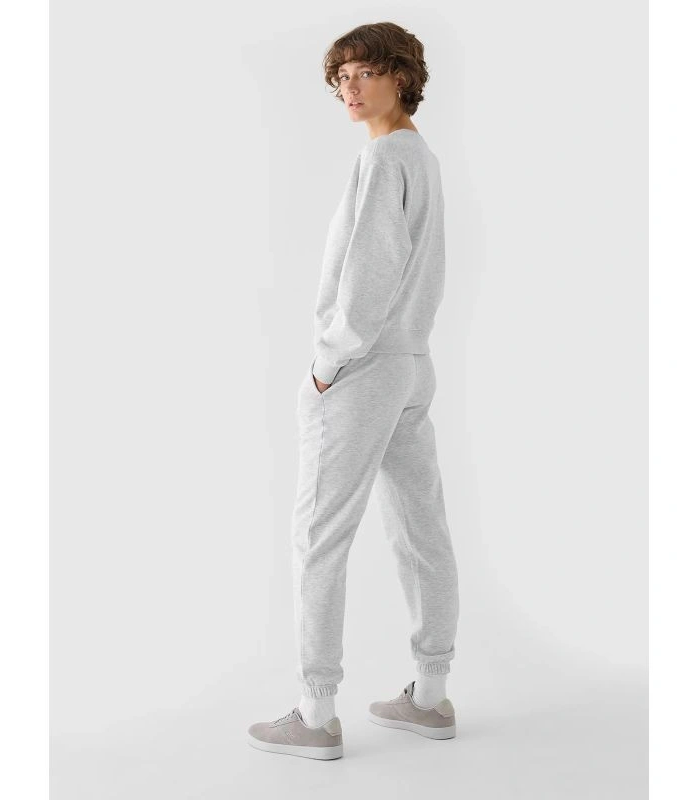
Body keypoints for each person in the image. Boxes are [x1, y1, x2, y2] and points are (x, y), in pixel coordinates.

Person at [248, 22, 459, 760]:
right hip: (411, 363)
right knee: (421, 530)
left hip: (364, 368)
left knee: (319, 538)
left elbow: (369, 273)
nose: (349, 87)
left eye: (363, 72)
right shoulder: (422, 157)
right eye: (340, 77)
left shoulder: (384, 158)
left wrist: (326, 365)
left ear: (401, 76)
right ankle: (430, 696)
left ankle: (315, 713)